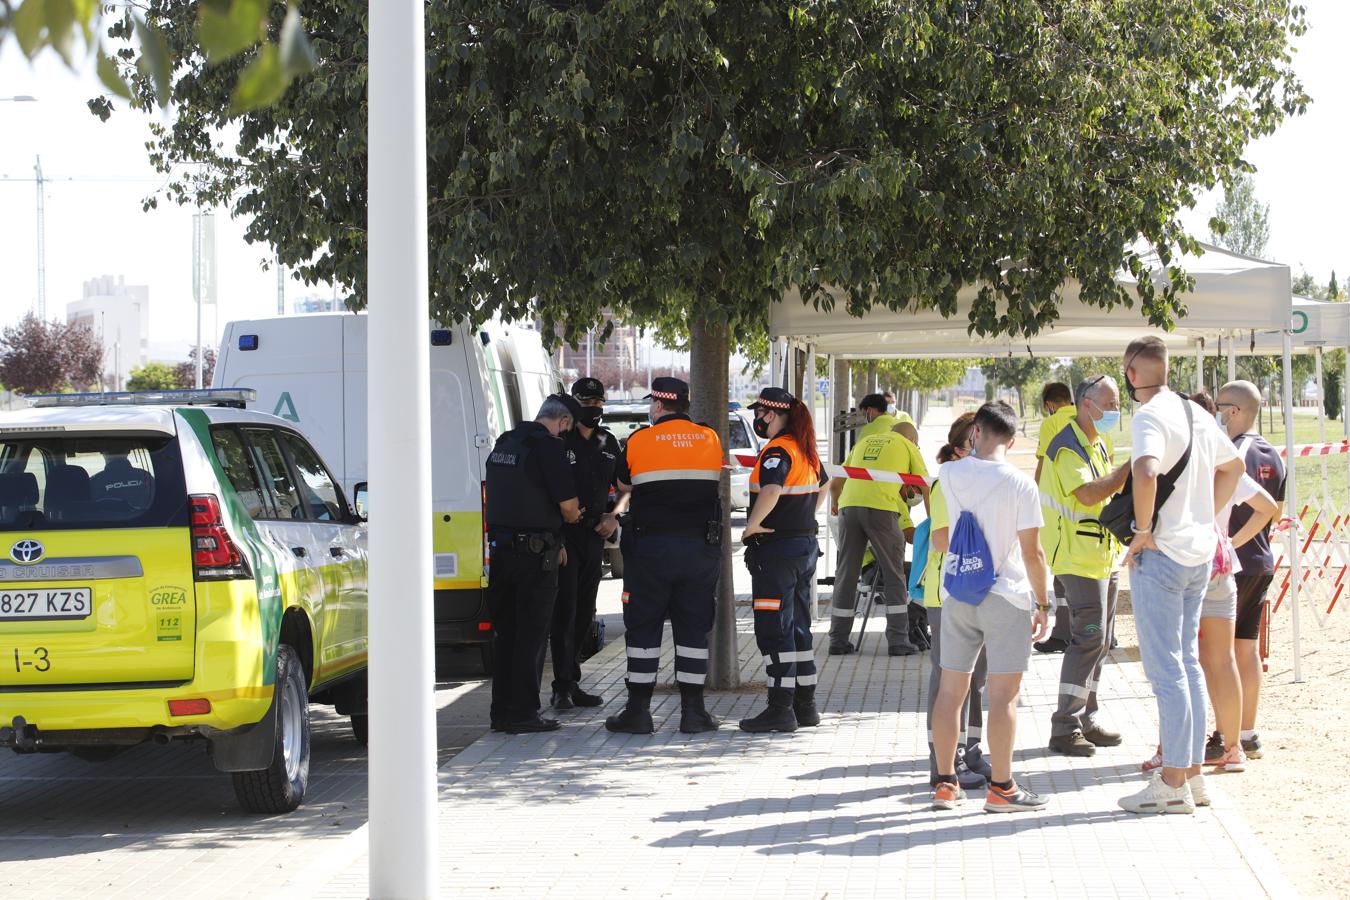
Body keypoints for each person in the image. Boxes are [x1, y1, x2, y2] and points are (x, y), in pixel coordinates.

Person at [1116, 337, 1244, 815]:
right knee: (1187, 664)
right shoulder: (1196, 413)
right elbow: (1234, 466)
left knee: (1167, 669)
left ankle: (1172, 783)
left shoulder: (1150, 415)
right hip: (1198, 554)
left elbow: (1145, 472)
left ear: (1131, 373)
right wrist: (1202, 516)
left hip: (1166, 554)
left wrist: (1144, 530)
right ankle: (1191, 776)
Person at [1136, 392, 1278, 774]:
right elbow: (1269, 507)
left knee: (1177, 662)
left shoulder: (1178, 460)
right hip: (1220, 566)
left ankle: (1174, 751)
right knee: (1220, 660)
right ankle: (1233, 747)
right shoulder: (1221, 460)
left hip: (1182, 561)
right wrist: (1230, 541)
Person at [929, 401, 1051, 813]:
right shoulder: (1021, 485)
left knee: (951, 691)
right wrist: (1044, 603)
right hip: (1007, 595)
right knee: (1003, 698)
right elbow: (1032, 553)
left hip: (959, 592)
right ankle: (1001, 788)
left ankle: (945, 783)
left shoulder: (949, 473)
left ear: (976, 433)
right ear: (1012, 440)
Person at [606, 377, 724, 735]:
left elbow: (624, 484)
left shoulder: (640, 439)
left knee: (643, 627)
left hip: (650, 552)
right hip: (699, 551)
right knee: (693, 628)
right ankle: (693, 712)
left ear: (658, 406)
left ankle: (638, 711)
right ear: (685, 405)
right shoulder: (710, 437)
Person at [1039, 375, 1131, 757]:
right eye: (1109, 404)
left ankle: (1086, 718)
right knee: (1088, 637)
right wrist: (1129, 469)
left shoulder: (1097, 443)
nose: (1115, 411)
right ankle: (1065, 725)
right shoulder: (1067, 448)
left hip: (1101, 556)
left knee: (1100, 641)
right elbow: (1090, 493)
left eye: (1117, 404)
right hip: (1077, 558)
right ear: (1086, 404)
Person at [485, 394, 583, 734]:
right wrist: (568, 522)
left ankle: (501, 713)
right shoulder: (549, 448)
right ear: (564, 422)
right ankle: (525, 713)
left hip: (501, 553)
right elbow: (569, 506)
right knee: (531, 635)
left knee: (506, 634)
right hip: (535, 557)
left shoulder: (505, 442)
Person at [738, 387, 828, 733]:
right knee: (799, 627)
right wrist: (803, 517)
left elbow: (772, 489)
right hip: (803, 546)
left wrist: (752, 526)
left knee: (774, 629)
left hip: (776, 552)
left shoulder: (777, 450)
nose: (757, 420)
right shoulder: (804, 449)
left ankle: (779, 709)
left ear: (770, 414)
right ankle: (806, 706)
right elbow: (824, 486)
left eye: (759, 414)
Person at [921, 412, 994, 790]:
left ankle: (971, 750)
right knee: (949, 678)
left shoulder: (982, 482)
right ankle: (943, 761)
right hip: (947, 593)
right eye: (975, 443)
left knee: (977, 679)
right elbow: (941, 539)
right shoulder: (945, 484)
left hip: (978, 590)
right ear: (958, 449)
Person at [1217, 379, 1286, 760]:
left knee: (1221, 653)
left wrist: (1231, 544)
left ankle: (1224, 734)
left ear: (1235, 411)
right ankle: (1247, 733)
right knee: (1246, 649)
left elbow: (1266, 508)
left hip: (1236, 563)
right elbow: (1277, 506)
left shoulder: (1234, 450)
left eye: (1220, 406)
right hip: (1262, 561)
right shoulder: (1274, 453)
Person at [827, 410, 929, 656]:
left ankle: (838, 640)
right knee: (895, 575)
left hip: (849, 507)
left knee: (845, 574)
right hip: (881, 509)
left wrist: (836, 503)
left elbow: (837, 481)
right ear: (914, 441)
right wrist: (933, 519)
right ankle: (898, 641)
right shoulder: (908, 445)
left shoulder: (862, 442)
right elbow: (925, 485)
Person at [550, 377, 623, 710]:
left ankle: (572, 680)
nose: (593, 408)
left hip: (594, 535)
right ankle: (561, 686)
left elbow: (625, 488)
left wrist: (614, 518)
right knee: (565, 611)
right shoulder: (560, 443)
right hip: (566, 536)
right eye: (586, 402)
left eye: (598, 403)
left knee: (584, 613)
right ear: (573, 404)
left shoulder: (609, 443)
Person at [1033, 380, 1077, 653]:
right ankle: (1101, 633)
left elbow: (1042, 462)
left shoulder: (1051, 424)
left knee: (1060, 571)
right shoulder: (1090, 418)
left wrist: (1033, 498)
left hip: (1060, 507)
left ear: (1050, 405)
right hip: (1090, 505)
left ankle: (1063, 632)